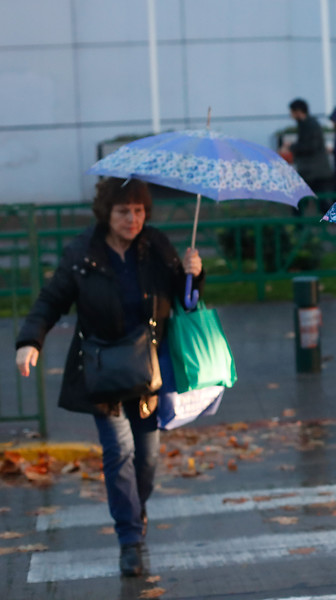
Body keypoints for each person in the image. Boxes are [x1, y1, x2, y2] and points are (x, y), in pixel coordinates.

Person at [15, 178, 203, 577]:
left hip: (148, 372)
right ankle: (130, 540)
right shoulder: (83, 252)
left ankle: (134, 510)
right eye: (123, 212)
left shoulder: (155, 246)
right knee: (119, 452)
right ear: (106, 213)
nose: (132, 219)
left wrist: (193, 275)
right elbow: (52, 298)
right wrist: (30, 340)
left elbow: (185, 299)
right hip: (101, 370)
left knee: (147, 457)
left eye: (138, 211)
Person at [282, 98, 334, 211]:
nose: (291, 115)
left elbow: (310, 146)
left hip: (314, 172)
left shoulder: (309, 125)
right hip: (314, 171)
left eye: (292, 112)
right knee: (317, 202)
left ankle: (300, 221)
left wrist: (292, 147)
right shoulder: (307, 124)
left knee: (309, 201)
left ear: (298, 111)